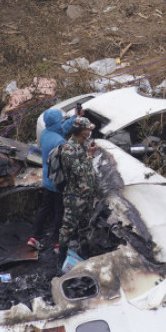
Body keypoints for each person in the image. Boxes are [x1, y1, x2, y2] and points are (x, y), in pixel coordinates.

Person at [29, 105, 77, 252]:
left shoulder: (45, 133)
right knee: (59, 212)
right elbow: (67, 163)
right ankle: (57, 243)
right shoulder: (60, 142)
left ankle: (34, 238)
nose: (62, 121)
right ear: (56, 121)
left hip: (47, 180)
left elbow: (62, 129)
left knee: (44, 209)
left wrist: (75, 117)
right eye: (60, 119)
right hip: (58, 182)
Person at [54, 117, 99, 272]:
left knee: (85, 226)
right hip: (75, 196)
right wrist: (90, 155)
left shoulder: (85, 144)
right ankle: (61, 258)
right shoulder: (68, 149)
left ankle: (85, 251)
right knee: (68, 227)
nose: (89, 132)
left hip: (88, 194)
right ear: (81, 130)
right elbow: (79, 171)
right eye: (87, 129)